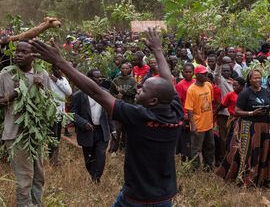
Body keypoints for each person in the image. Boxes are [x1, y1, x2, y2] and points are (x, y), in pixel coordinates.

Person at [29, 29, 183, 206]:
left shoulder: (137, 116)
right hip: (164, 198)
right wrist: (157, 49)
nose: (138, 88)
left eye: (144, 89)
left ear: (154, 100)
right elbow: (167, 78)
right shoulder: (175, 112)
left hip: (135, 199)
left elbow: (96, 92)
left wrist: (59, 61)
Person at [0, 41, 52, 207]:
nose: (18, 54)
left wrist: (41, 86)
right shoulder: (5, 74)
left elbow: (50, 102)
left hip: (35, 133)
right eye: (17, 51)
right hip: (16, 134)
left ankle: (36, 204)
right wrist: (16, 92)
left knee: (38, 177)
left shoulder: (42, 74)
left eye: (24, 52)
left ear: (34, 56)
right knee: (24, 179)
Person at [216, 69, 270, 188]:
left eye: (259, 78)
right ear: (250, 80)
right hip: (249, 128)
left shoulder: (265, 91)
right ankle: (244, 179)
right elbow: (237, 111)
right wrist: (252, 113)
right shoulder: (245, 93)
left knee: (261, 153)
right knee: (247, 154)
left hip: (264, 128)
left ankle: (260, 179)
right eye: (255, 78)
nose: (257, 80)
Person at [71, 68, 117, 183]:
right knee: (88, 158)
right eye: (96, 77)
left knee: (101, 156)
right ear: (88, 79)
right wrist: (83, 123)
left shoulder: (106, 94)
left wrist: (113, 130)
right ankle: (92, 175)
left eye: (100, 76)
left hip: (102, 130)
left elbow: (110, 113)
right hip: (86, 131)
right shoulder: (78, 95)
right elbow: (73, 114)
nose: (99, 79)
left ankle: (96, 179)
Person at [184, 65, 215, 171]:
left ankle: (209, 166)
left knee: (210, 146)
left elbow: (211, 103)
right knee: (196, 149)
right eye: (203, 74)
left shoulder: (208, 85)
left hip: (209, 124)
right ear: (196, 75)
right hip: (198, 124)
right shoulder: (191, 90)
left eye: (206, 73)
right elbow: (189, 109)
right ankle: (195, 169)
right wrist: (193, 125)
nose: (206, 75)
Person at [48, 65, 73, 165]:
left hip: (60, 112)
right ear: (52, 69)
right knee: (52, 135)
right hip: (50, 112)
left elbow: (69, 92)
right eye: (57, 68)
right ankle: (53, 159)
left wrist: (57, 81)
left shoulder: (63, 79)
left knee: (57, 135)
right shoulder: (48, 78)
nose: (60, 71)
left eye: (61, 68)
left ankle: (54, 158)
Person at [175, 63, 195, 161]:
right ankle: (184, 158)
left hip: (196, 115)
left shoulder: (195, 83)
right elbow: (179, 102)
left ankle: (193, 158)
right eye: (186, 72)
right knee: (185, 139)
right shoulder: (180, 85)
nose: (188, 74)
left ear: (193, 72)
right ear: (183, 72)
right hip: (185, 115)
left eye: (190, 72)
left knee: (193, 138)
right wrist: (183, 115)